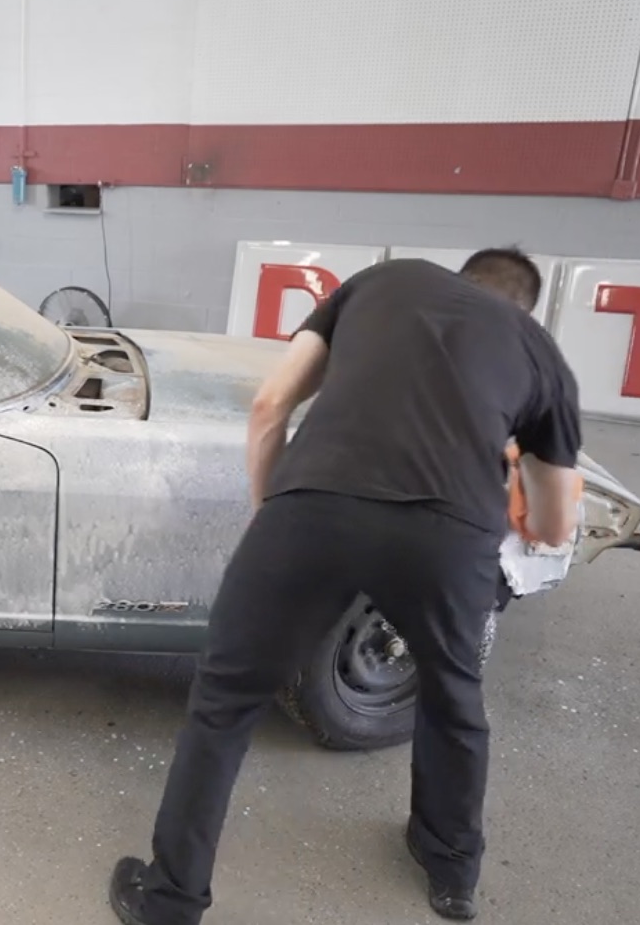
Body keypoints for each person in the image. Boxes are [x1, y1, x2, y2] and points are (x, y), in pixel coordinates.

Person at [107, 249, 585, 924]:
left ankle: (172, 900)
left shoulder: (384, 281)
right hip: (446, 537)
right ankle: (450, 871)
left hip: (315, 507)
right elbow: (554, 522)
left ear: (461, 276)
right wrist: (528, 511)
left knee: (225, 698)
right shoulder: (541, 355)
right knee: (454, 697)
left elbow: (271, 404)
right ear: (522, 308)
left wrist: (274, 514)